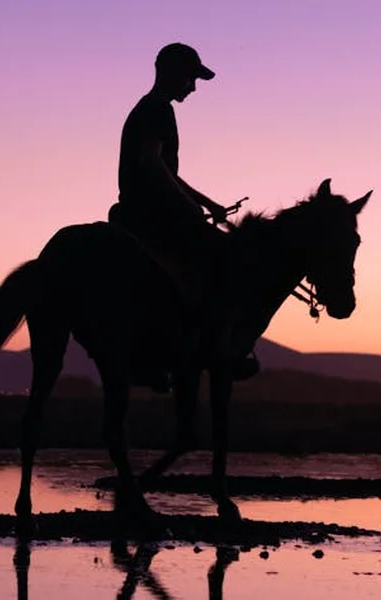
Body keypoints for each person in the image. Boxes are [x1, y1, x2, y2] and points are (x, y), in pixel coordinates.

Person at [109, 42, 259, 392]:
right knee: (224, 262)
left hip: (144, 210)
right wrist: (189, 207)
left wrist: (208, 204)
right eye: (191, 78)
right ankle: (218, 350)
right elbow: (151, 163)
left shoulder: (151, 109)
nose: (193, 87)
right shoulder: (157, 110)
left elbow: (168, 172)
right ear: (171, 74)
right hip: (151, 215)